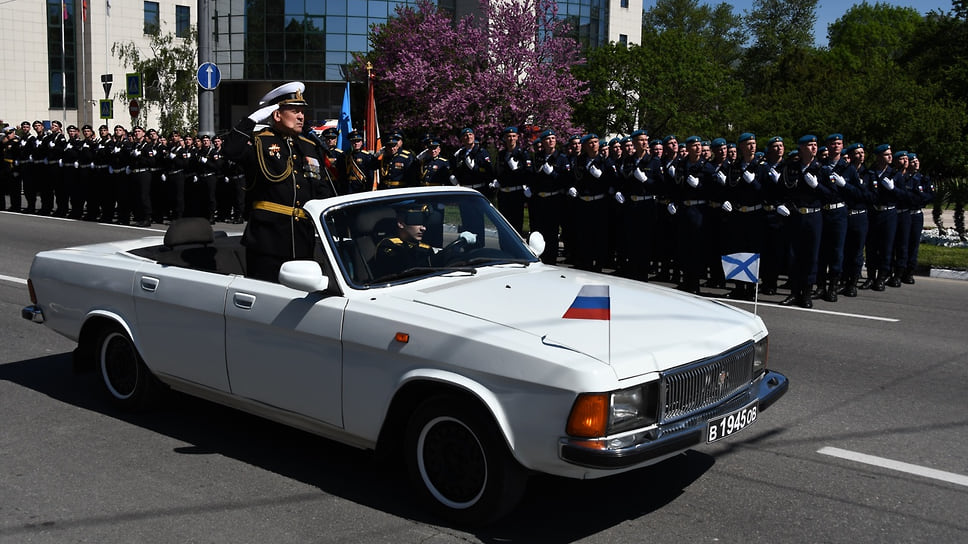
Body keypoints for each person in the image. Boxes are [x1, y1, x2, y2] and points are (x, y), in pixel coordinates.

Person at [222, 81, 335, 282]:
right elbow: (230, 150)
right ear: (276, 114)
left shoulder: (309, 147)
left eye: (302, 111)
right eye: (294, 111)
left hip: (302, 239)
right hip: (268, 241)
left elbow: (322, 189)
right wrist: (251, 120)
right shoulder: (260, 141)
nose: (301, 116)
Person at [371, 203, 436, 279]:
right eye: (416, 221)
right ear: (401, 223)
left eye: (424, 223)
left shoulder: (425, 249)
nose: (423, 228)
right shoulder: (388, 246)